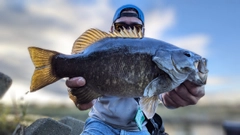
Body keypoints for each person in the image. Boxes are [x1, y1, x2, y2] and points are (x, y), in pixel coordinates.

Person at [66, 4, 205, 135]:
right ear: (112, 30)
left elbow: (163, 95)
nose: (127, 31)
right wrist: (79, 95)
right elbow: (81, 95)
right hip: (100, 123)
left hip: (137, 129)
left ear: (143, 32)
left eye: (135, 27)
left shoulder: (159, 63)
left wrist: (172, 97)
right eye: (120, 26)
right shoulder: (97, 50)